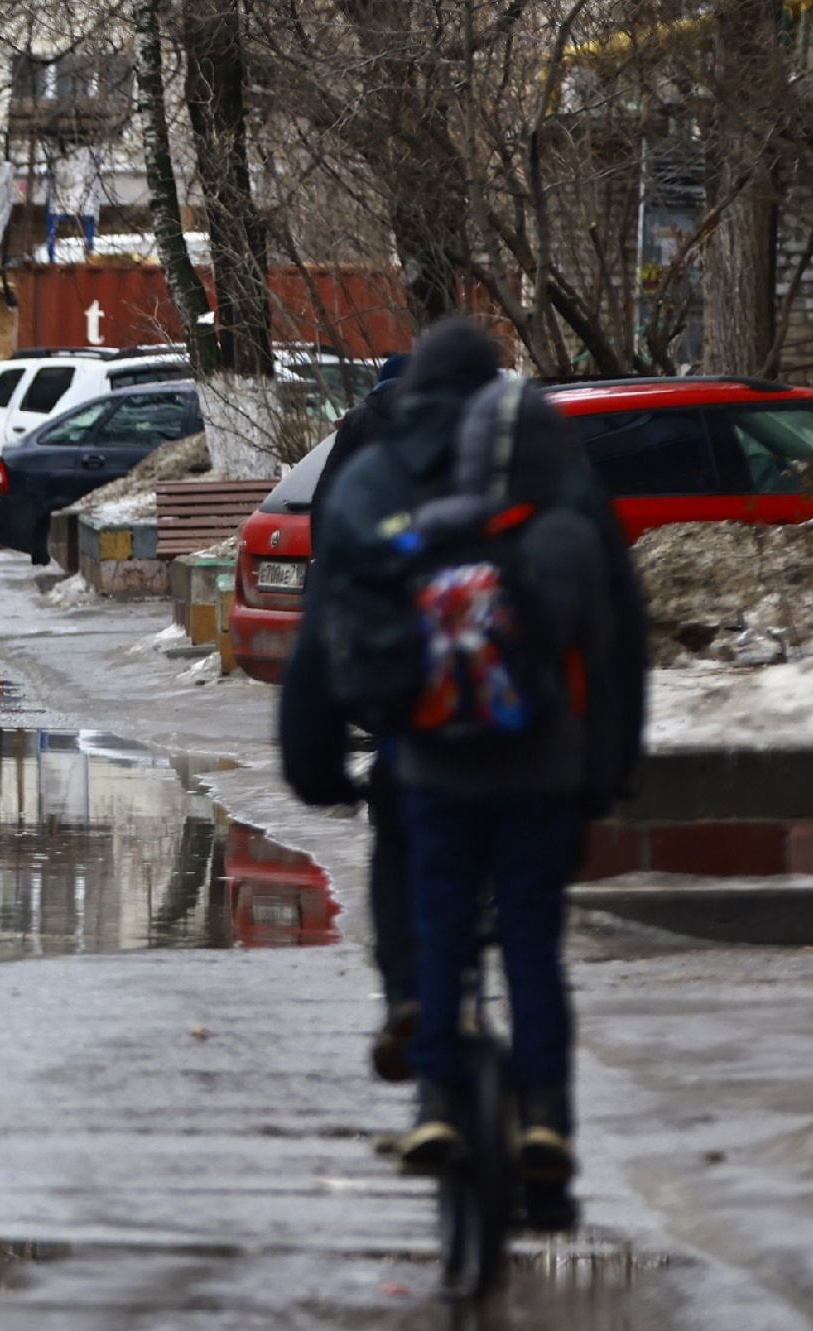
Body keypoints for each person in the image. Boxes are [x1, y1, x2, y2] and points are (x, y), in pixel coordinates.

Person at [314, 316, 644, 1191]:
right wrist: (607, 771)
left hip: (429, 764)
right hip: (544, 771)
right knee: (533, 944)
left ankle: (435, 1093)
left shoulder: (407, 506)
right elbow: (614, 647)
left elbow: (339, 618)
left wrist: (327, 747)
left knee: (437, 918)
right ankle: (545, 1120)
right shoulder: (565, 513)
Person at [279, 352, 420, 1082]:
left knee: (399, 865)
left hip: (418, 746)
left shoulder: (360, 453)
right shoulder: (513, 487)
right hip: (524, 750)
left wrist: (325, 776)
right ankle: (545, 1114)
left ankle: (406, 1003)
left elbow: (316, 668)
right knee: (523, 917)